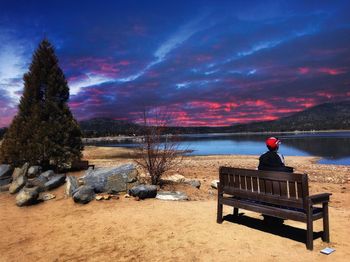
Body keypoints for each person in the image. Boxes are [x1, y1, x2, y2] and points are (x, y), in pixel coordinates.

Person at [258, 137, 294, 225]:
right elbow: (283, 169)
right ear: (277, 146)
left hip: (265, 190)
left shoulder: (262, 156)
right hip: (278, 190)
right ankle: (277, 214)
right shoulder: (280, 156)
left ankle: (268, 215)